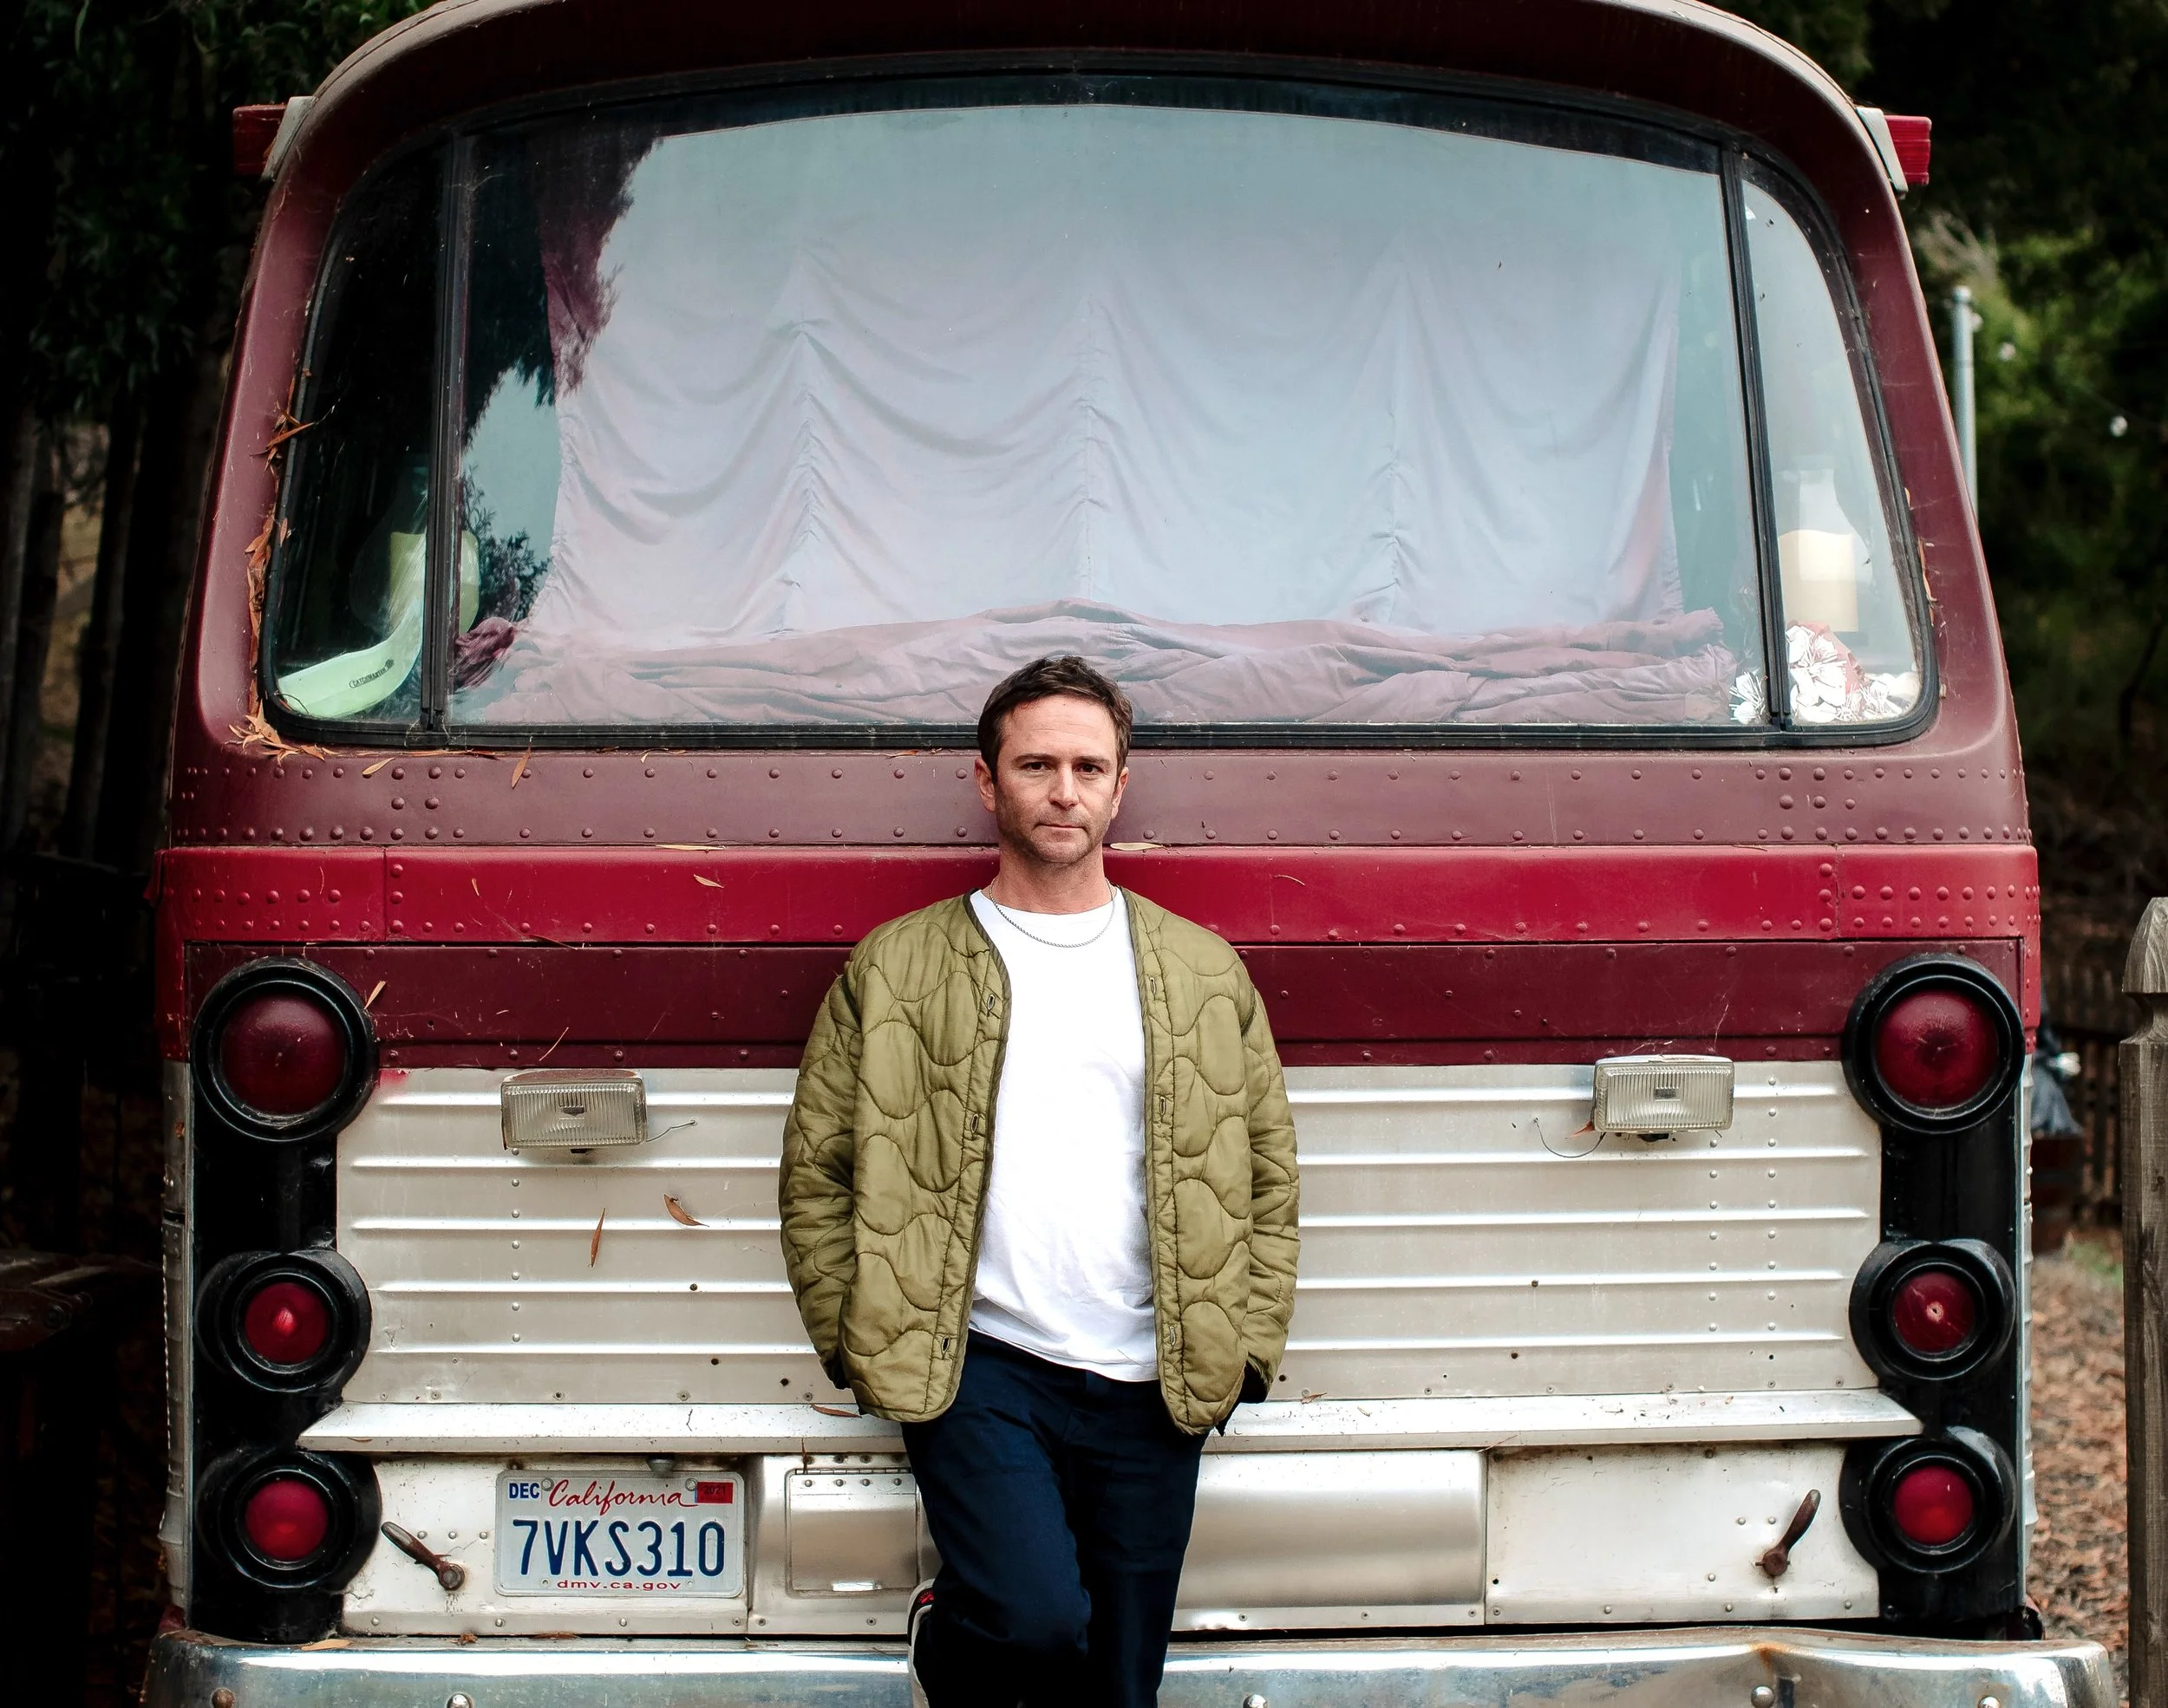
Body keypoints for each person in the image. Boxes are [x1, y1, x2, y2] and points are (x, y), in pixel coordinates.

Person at [779, 655, 1301, 1707]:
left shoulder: (1200, 971)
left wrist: (1243, 1344)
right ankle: (952, 1641)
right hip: (980, 1364)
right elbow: (817, 1171)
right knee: (1031, 1618)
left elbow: (1265, 1175)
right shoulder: (897, 965)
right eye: (1036, 764)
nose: (1063, 789)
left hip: (1156, 1375)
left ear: (1120, 784)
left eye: (1087, 765)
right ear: (988, 782)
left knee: (1118, 1687)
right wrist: (857, 1333)